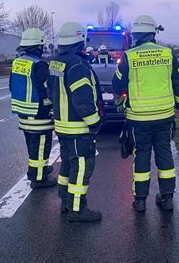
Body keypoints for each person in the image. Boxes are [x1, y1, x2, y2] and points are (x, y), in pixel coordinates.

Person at [112, 15, 179, 213]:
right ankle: (167, 198)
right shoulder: (168, 54)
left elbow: (117, 85)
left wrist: (125, 97)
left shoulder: (129, 56)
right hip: (164, 116)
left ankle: (140, 202)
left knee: (142, 155)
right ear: (154, 33)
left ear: (135, 34)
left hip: (139, 118)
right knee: (164, 153)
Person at [48, 22, 103, 223]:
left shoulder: (56, 62)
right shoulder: (78, 65)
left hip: (62, 126)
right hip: (78, 127)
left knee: (68, 165)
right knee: (81, 167)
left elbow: (50, 92)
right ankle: (77, 209)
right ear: (80, 41)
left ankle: (65, 201)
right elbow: (82, 99)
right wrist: (95, 122)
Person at [9, 28, 56, 189]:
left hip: (23, 112)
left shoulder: (17, 62)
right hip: (39, 113)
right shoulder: (40, 65)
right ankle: (39, 178)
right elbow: (45, 90)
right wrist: (51, 106)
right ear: (39, 46)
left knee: (32, 144)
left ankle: (36, 170)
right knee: (42, 144)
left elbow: (12, 86)